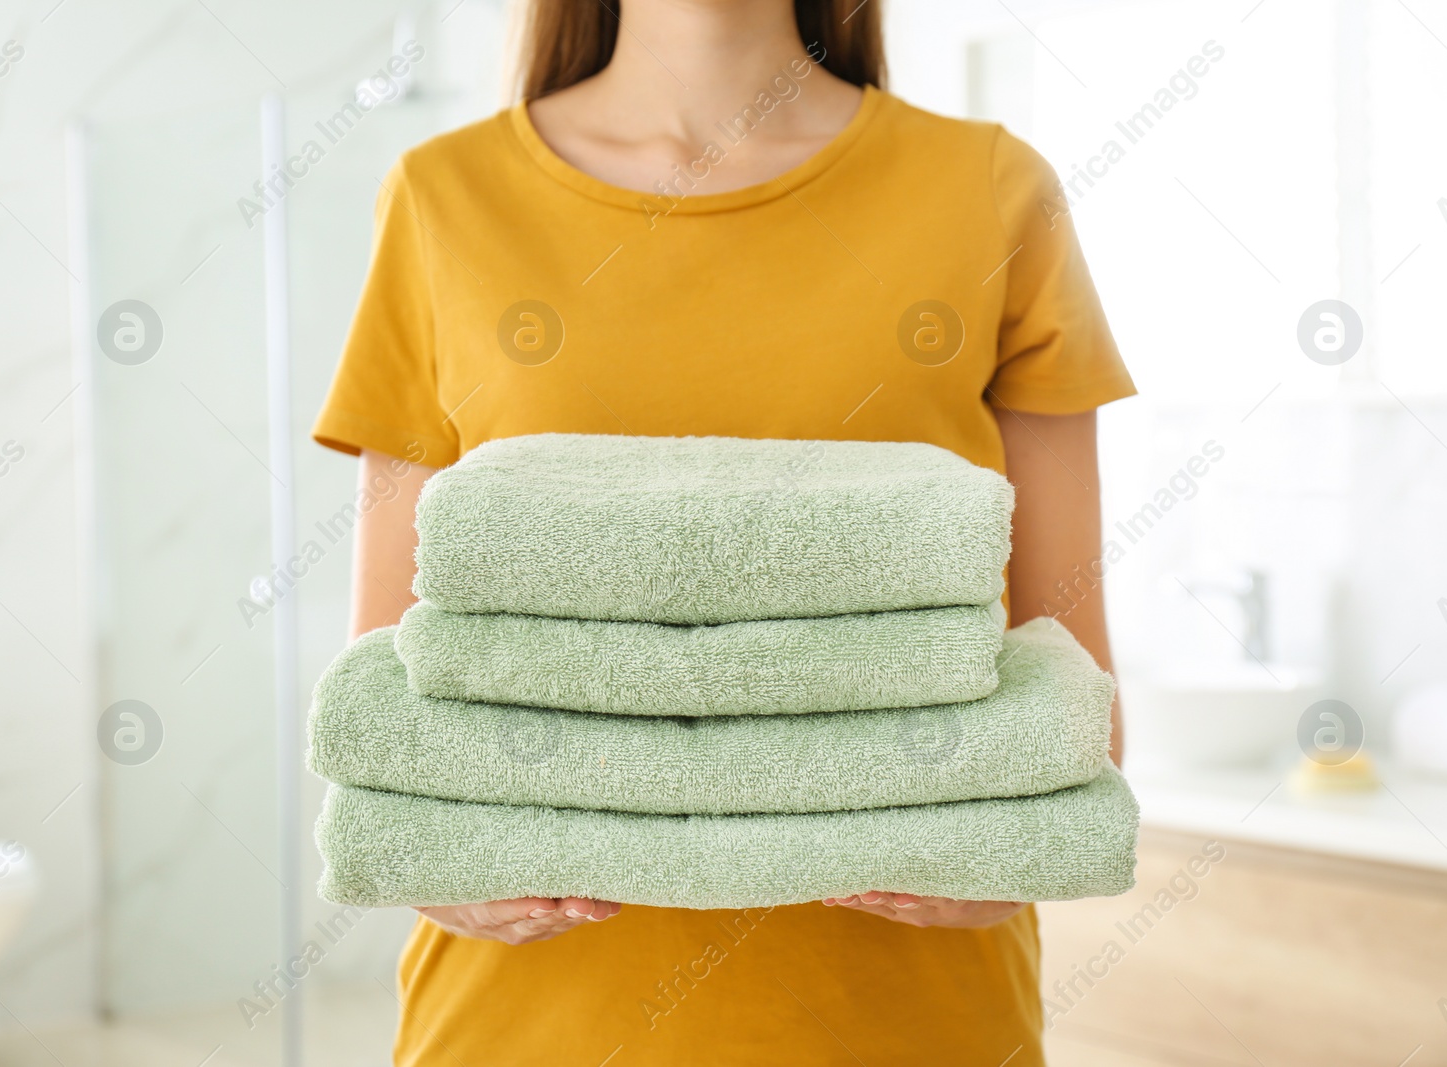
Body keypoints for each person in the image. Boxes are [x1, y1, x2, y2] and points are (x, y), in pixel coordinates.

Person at [312, 0, 1134, 1062]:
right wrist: (439, 862)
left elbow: (1077, 705)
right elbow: (391, 711)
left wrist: (1006, 852)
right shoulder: (442, 198)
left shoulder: (990, 191)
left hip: (904, 1023)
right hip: (526, 1027)